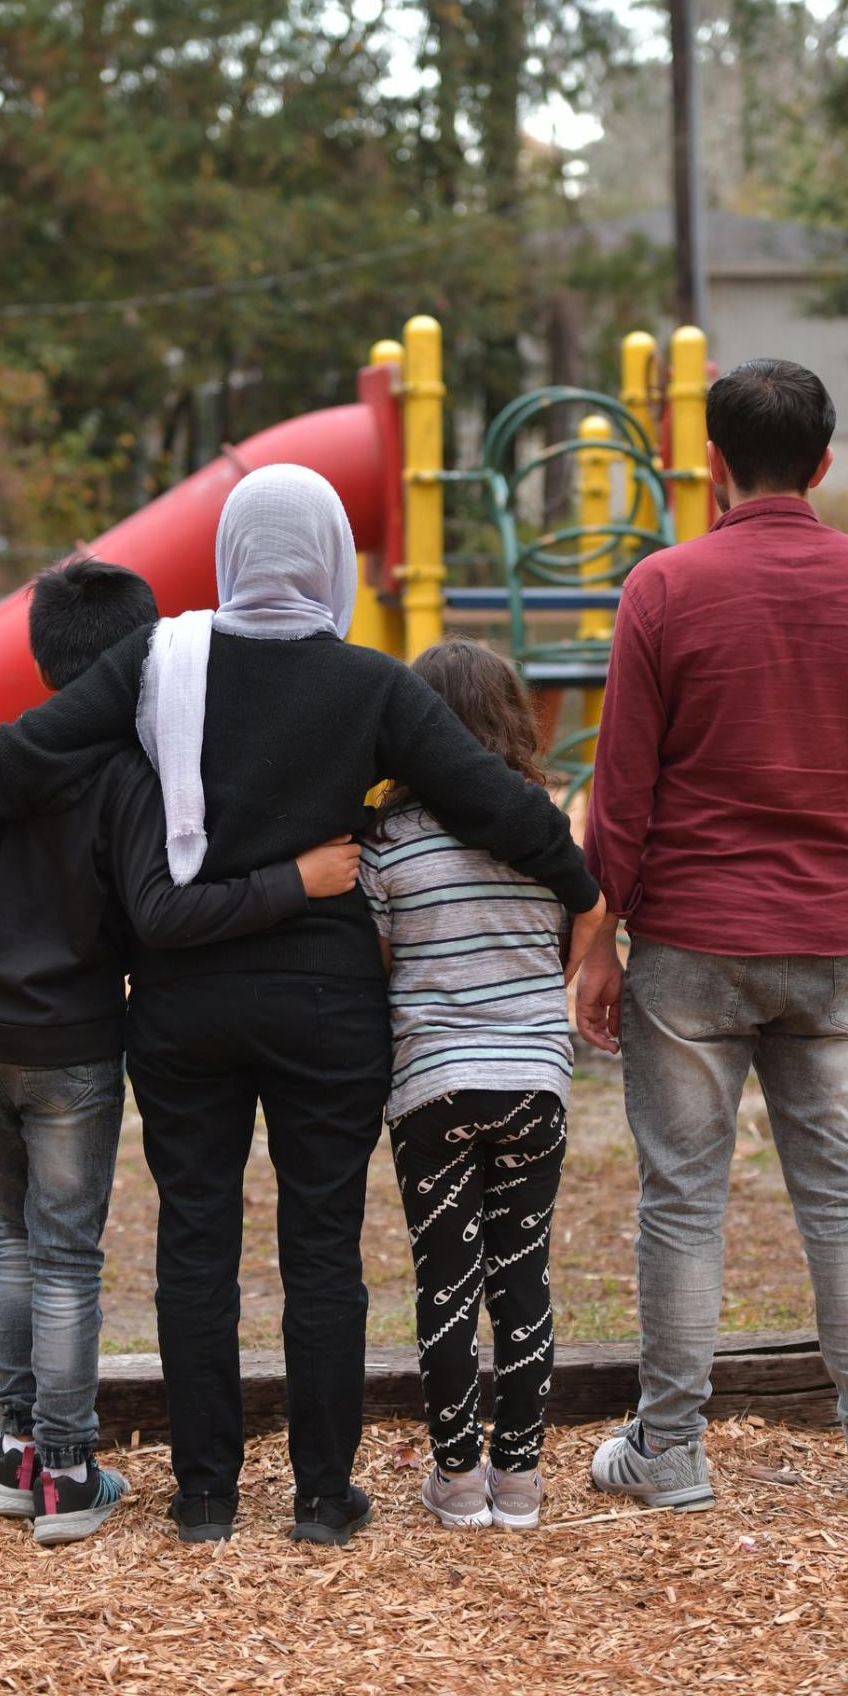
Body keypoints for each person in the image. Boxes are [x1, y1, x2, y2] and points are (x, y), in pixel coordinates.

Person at [0, 466, 603, 1548]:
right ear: (329, 558)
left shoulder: (159, 660)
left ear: (231, 553)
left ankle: (204, 1497)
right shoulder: (374, 685)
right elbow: (489, 795)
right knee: (322, 1245)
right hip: (329, 1008)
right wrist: (579, 880)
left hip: (186, 1002)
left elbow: (24, 748)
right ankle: (324, 1496)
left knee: (196, 1242)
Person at [576, 358, 848, 1512]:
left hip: (690, 945)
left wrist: (598, 941)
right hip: (825, 940)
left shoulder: (662, 587)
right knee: (843, 1192)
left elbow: (623, 797)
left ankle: (671, 1449)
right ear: (827, 462)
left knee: (682, 1197)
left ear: (711, 464)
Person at [0, 556, 361, 1546]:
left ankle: (17, 1447)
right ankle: (67, 1469)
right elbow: (159, 912)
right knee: (65, 1249)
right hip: (65, 1038)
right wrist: (296, 880)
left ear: (38, 655)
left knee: (15, 1235)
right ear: (143, 657)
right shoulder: (130, 772)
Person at [361, 639, 572, 1534]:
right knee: (522, 1277)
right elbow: (563, 946)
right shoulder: (544, 832)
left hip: (433, 1089)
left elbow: (378, 966)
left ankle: (456, 1477)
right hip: (535, 1082)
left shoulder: (387, 845)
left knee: (446, 1280)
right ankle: (518, 1479)